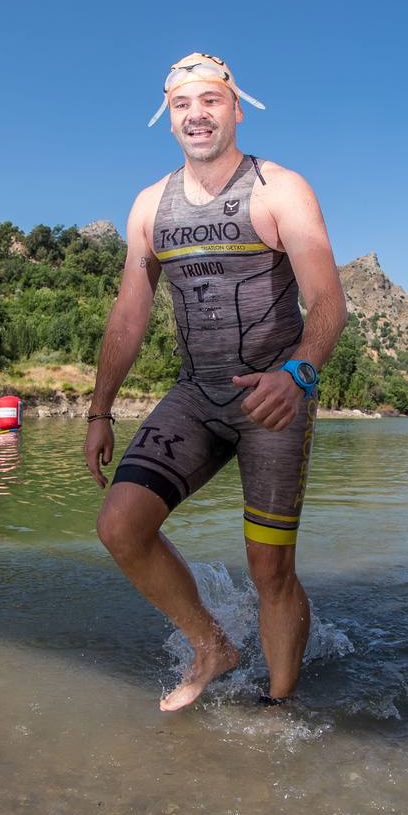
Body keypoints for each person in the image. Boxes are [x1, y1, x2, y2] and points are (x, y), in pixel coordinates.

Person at [84, 52, 347, 712]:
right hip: (197, 394)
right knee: (120, 525)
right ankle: (212, 646)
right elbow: (129, 314)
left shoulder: (280, 189)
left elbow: (328, 301)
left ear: (235, 110)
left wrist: (298, 374)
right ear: (168, 117)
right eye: (182, 105)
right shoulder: (150, 206)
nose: (196, 115)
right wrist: (99, 410)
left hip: (272, 398)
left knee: (270, 569)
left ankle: (279, 707)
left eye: (209, 101)